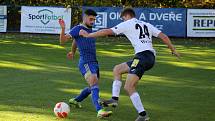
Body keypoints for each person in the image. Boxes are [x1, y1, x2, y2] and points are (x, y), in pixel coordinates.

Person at [79, 8, 180, 121]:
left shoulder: (127, 23)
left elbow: (107, 31)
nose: (123, 20)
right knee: (117, 69)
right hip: (149, 57)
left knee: (128, 86)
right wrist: (173, 50)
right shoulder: (146, 24)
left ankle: (143, 115)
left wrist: (89, 35)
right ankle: (114, 99)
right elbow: (164, 37)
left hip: (142, 57)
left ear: (126, 16)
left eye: (123, 18)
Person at [58, 9, 112, 118]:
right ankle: (100, 111)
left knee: (92, 87)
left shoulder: (90, 30)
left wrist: (72, 51)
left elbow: (75, 40)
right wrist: (63, 29)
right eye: (91, 19)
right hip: (85, 62)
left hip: (94, 63)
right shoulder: (77, 28)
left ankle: (75, 100)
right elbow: (62, 41)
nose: (92, 21)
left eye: (94, 19)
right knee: (94, 84)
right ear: (84, 17)